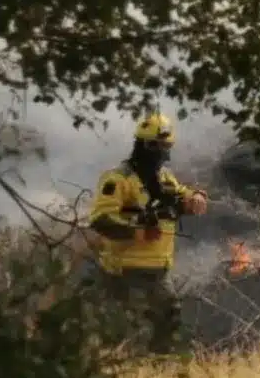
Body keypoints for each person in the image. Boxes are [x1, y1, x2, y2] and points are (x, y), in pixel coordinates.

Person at [88, 112, 209, 353]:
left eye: (166, 147)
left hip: (158, 270)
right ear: (140, 144)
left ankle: (158, 367)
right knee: (125, 330)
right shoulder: (117, 179)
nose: (160, 153)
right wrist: (140, 226)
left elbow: (181, 193)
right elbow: (101, 220)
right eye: (155, 146)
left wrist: (196, 196)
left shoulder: (165, 178)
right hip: (124, 271)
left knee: (168, 321)